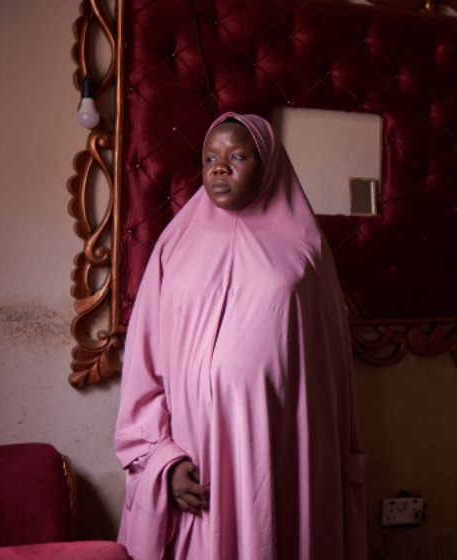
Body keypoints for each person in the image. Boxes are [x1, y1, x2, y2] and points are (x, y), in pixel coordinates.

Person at [114, 113, 366, 559]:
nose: (219, 167)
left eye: (236, 156)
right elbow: (144, 361)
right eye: (210, 157)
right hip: (194, 455)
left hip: (278, 451)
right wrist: (162, 461)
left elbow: (326, 379)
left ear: (267, 163)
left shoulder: (304, 252)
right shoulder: (175, 245)